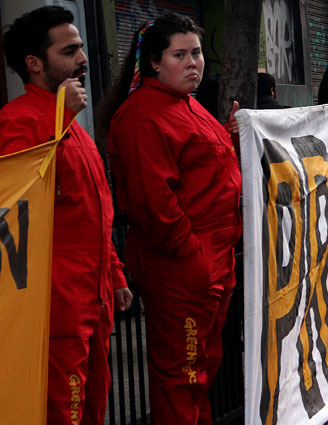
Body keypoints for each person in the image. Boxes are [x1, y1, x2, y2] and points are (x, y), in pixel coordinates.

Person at [101, 12, 242, 424]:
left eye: (196, 52)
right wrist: (192, 257)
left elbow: (204, 170)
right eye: (180, 55)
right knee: (182, 373)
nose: (193, 63)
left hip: (210, 260)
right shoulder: (143, 116)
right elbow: (154, 202)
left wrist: (231, 136)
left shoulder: (186, 105)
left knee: (202, 368)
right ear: (155, 63)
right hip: (184, 266)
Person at [0, 6, 132, 424]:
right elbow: (19, 197)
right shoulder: (18, 121)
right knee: (63, 411)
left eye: (80, 48)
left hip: (92, 297)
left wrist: (115, 274)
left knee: (93, 407)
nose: (82, 58)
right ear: (34, 63)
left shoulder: (72, 126)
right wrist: (59, 120)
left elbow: (94, 211)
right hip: (55, 305)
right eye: (69, 51)